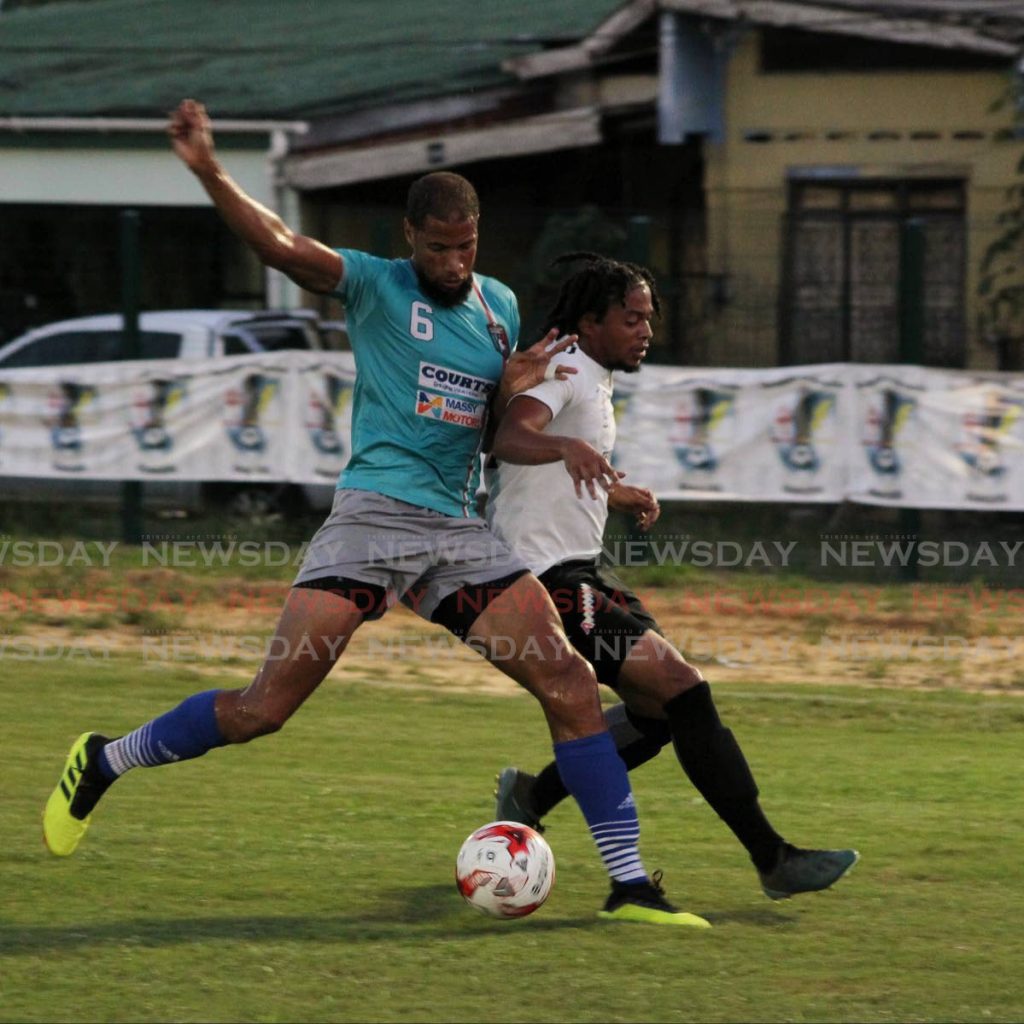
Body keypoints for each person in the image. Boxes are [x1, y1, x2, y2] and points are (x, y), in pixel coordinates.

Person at [42, 100, 710, 929]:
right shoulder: (372, 282)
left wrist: (532, 412)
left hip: (457, 535)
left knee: (570, 682)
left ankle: (630, 885)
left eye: (465, 246)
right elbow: (281, 247)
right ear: (409, 238)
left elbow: (504, 430)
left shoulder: (498, 307)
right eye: (438, 248)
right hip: (372, 520)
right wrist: (211, 170)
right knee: (263, 711)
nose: (453, 261)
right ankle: (104, 760)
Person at [485, 252, 858, 900]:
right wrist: (572, 449)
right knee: (684, 689)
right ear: (591, 320)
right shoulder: (568, 370)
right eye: (631, 317)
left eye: (647, 318)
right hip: (543, 580)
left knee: (657, 713)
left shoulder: (592, 378)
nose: (644, 330)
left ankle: (532, 792)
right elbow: (513, 437)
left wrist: (612, 490)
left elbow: (548, 471)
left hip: (577, 571)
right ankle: (773, 857)